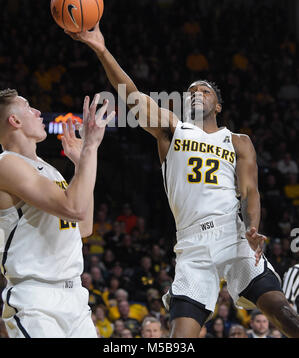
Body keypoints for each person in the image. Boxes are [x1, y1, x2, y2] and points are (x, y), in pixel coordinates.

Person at [65, 23, 299, 338]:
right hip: (191, 245)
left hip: (233, 235)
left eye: (204, 91)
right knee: (179, 339)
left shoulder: (238, 141)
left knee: (283, 312)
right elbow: (132, 97)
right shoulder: (172, 129)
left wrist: (253, 228)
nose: (196, 95)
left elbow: (250, 192)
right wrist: (101, 49)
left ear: (218, 105)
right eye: (190, 92)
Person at [0, 89, 114, 338]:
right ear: (15, 121)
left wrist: (80, 162)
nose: (38, 111)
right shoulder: (6, 164)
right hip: (36, 300)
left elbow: (83, 225)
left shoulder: (49, 170)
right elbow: (73, 207)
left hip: (75, 297)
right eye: (29, 107)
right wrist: (90, 149)